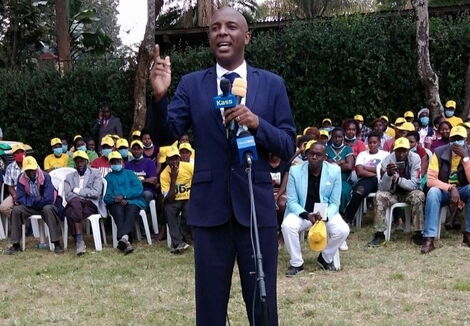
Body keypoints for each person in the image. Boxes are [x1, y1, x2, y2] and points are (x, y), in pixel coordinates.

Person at [148, 7, 296, 325]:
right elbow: (164, 135)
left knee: (262, 304)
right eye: (215, 28)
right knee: (211, 308)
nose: (222, 32)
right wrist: (159, 98)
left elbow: (287, 146)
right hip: (210, 213)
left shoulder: (271, 85)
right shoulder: (192, 85)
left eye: (231, 26)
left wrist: (258, 123)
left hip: (255, 212)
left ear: (247, 37)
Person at [281, 141, 350, 275]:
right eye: (311, 153)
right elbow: (292, 201)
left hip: (325, 212)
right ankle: (297, 263)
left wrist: (325, 215)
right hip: (303, 211)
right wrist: (306, 215)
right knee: (287, 226)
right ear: (306, 155)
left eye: (318, 155)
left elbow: (335, 203)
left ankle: (325, 257)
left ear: (325, 158)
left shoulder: (334, 170)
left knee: (343, 230)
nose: (314, 157)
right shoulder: (295, 171)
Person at [368, 138, 425, 246]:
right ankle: (379, 234)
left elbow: (414, 184)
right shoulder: (387, 160)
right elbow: (383, 188)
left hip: (409, 192)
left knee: (419, 195)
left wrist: (398, 179)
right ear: (394, 150)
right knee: (379, 196)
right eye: (398, 151)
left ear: (409, 150)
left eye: (404, 150)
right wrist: (388, 175)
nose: (401, 153)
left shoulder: (415, 158)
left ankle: (418, 233)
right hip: (393, 193)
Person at [423, 126, 470, 253]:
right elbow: (430, 180)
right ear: (449, 139)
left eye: (460, 139)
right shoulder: (438, 152)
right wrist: (450, 188)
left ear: (465, 140)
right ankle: (429, 239)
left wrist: (466, 158)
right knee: (432, 192)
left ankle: (468, 234)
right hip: (444, 191)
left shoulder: (469, 152)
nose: (457, 142)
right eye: (454, 138)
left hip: (463, 190)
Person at [5, 156, 64, 255]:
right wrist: (36, 201)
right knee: (16, 210)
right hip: (31, 206)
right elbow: (20, 198)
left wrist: (32, 201)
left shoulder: (45, 176)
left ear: (37, 167)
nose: (31, 172)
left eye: (33, 170)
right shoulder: (21, 178)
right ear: (24, 171)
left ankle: (56, 243)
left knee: (48, 209)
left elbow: (48, 199)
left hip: (47, 205)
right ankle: (15, 244)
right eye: (28, 170)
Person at [104, 151, 146, 254]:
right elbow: (106, 196)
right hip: (115, 203)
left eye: (117, 161)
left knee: (131, 209)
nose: (115, 163)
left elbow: (139, 188)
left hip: (132, 201)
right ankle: (126, 239)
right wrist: (116, 199)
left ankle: (123, 237)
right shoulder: (108, 178)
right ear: (110, 164)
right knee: (118, 212)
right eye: (113, 162)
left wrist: (125, 196)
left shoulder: (130, 174)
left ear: (122, 161)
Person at [63, 151, 105, 255]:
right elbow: (68, 194)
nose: (79, 164)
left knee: (70, 211)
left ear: (87, 161)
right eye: (77, 162)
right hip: (75, 202)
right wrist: (80, 196)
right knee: (75, 203)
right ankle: (79, 241)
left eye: (81, 161)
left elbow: (96, 193)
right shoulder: (69, 177)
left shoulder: (95, 173)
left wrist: (78, 191)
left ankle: (78, 240)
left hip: (90, 203)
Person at [344, 132, 389, 226]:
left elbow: (385, 171)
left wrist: (366, 168)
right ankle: (348, 219)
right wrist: (377, 172)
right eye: (370, 142)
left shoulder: (385, 154)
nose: (372, 145)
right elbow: (360, 172)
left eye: (375, 142)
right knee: (358, 192)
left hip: (383, 181)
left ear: (379, 143)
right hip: (367, 180)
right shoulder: (362, 154)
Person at [160, 147, 194, 253]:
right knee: (168, 210)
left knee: (188, 212)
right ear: (167, 160)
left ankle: (182, 237)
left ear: (179, 159)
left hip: (189, 197)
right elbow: (168, 199)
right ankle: (178, 243)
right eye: (171, 159)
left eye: (176, 158)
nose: (174, 161)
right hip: (174, 200)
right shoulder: (164, 174)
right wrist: (173, 180)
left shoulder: (189, 167)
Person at [326, 128, 354, 215]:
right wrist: (341, 162)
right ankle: (328, 214)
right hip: (329, 180)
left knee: (343, 192)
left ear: (343, 137)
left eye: (339, 137)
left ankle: (340, 213)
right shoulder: (327, 149)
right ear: (331, 137)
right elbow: (326, 167)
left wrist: (332, 163)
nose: (337, 139)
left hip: (344, 180)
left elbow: (349, 166)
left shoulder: (348, 149)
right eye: (335, 137)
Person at [125, 140, 159, 205]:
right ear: (131, 150)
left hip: (146, 190)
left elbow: (154, 180)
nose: (136, 151)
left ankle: (145, 213)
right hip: (133, 191)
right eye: (134, 149)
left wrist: (135, 181)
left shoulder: (149, 163)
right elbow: (127, 182)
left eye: (139, 149)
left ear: (142, 150)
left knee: (147, 194)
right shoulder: (128, 165)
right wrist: (145, 180)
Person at [0, 144, 26, 224]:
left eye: (21, 152)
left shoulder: (31, 164)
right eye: (17, 153)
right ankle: (20, 223)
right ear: (13, 155)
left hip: (29, 193)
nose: (19, 154)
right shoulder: (10, 167)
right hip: (15, 192)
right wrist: (15, 196)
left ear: (25, 153)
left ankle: (25, 224)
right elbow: (9, 186)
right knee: (4, 207)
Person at [268, 152, 289, 242]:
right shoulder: (264, 164)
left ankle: (282, 231)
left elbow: (284, 186)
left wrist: (276, 198)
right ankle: (269, 232)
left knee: (281, 204)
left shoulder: (285, 165)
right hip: (267, 191)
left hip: (281, 191)